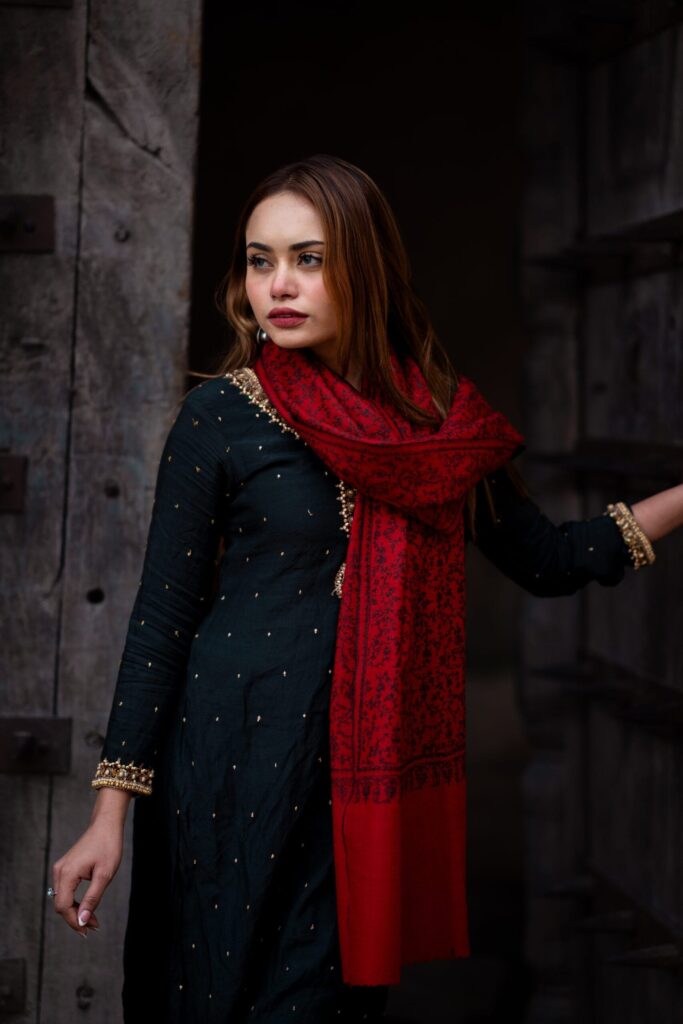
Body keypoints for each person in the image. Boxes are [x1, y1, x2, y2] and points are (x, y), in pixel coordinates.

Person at [50, 155, 675, 1024]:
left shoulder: (441, 428)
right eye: (259, 260)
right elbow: (162, 622)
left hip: (359, 794)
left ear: (365, 266)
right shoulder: (220, 418)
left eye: (308, 259)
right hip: (224, 779)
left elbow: (553, 559)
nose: (278, 285)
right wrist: (108, 815)